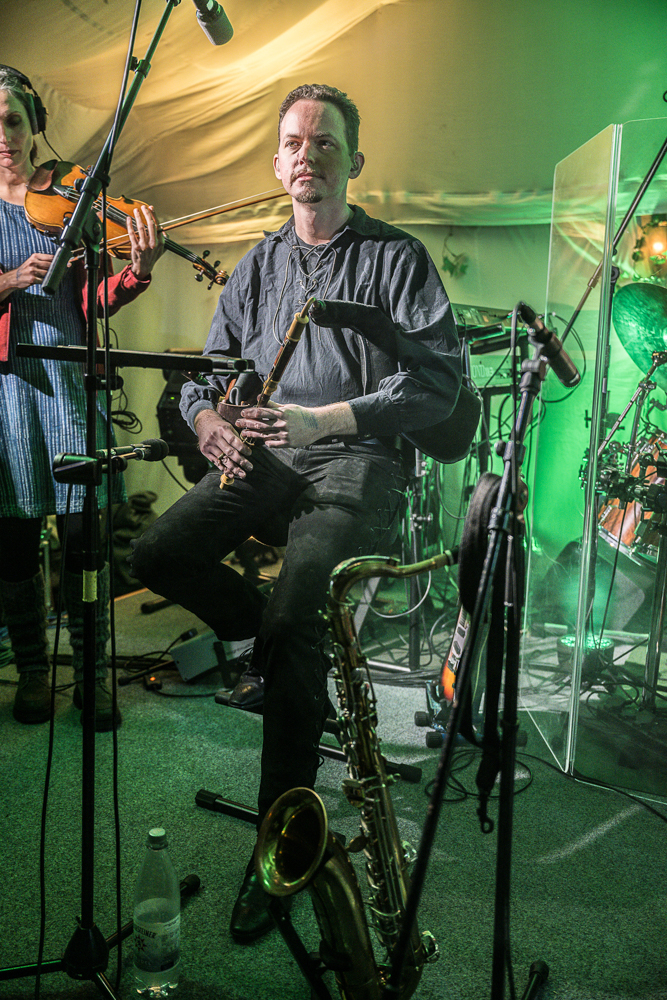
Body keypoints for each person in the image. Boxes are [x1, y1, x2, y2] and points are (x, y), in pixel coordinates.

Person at [131, 83, 461, 942]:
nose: (307, 154)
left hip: (357, 459)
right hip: (267, 455)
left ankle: (276, 850)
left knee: (294, 614)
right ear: (277, 163)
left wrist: (329, 419)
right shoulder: (256, 265)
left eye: (324, 142)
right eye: (293, 142)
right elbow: (208, 373)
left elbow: (439, 385)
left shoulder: (396, 258)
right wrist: (207, 424)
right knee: (154, 556)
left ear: (354, 161)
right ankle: (274, 653)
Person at [0, 65, 164, 731]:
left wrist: (137, 273)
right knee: (12, 540)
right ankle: (34, 672)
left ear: (34, 123)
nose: (3, 135)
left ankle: (92, 674)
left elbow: (92, 299)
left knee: (84, 538)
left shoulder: (70, 191)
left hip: (68, 382)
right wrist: (11, 278)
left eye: (13, 120)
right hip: (7, 391)